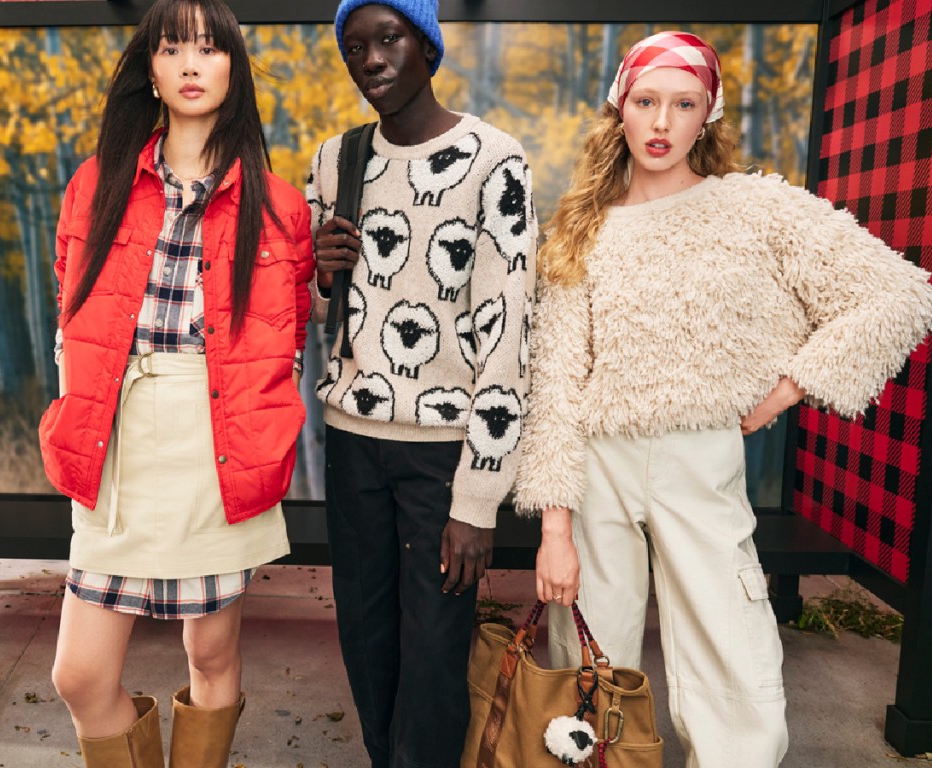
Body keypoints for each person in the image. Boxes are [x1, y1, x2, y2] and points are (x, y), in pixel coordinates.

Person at [514, 30, 932, 768]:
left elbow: (899, 293)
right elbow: (555, 380)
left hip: (700, 455)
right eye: (646, 101)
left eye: (684, 104)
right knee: (588, 644)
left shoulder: (754, 209)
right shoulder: (581, 227)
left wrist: (789, 387)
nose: (661, 123)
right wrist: (555, 527)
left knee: (729, 637)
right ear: (620, 107)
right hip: (595, 465)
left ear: (706, 116)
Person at [38, 0, 313, 765]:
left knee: (213, 658)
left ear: (234, 67)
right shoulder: (96, 183)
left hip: (217, 440)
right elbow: (70, 314)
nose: (191, 64)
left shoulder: (279, 204)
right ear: (150, 71)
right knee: (81, 675)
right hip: (116, 440)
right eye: (172, 49)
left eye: (209, 48)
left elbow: (287, 337)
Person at [305, 1, 537, 765]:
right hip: (351, 441)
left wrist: (477, 500)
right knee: (367, 642)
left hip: (443, 454)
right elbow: (319, 316)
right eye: (353, 45)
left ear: (427, 45)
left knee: (435, 650)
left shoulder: (492, 158)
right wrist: (322, 276)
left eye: (388, 38)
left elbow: (508, 339)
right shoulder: (336, 160)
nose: (369, 59)